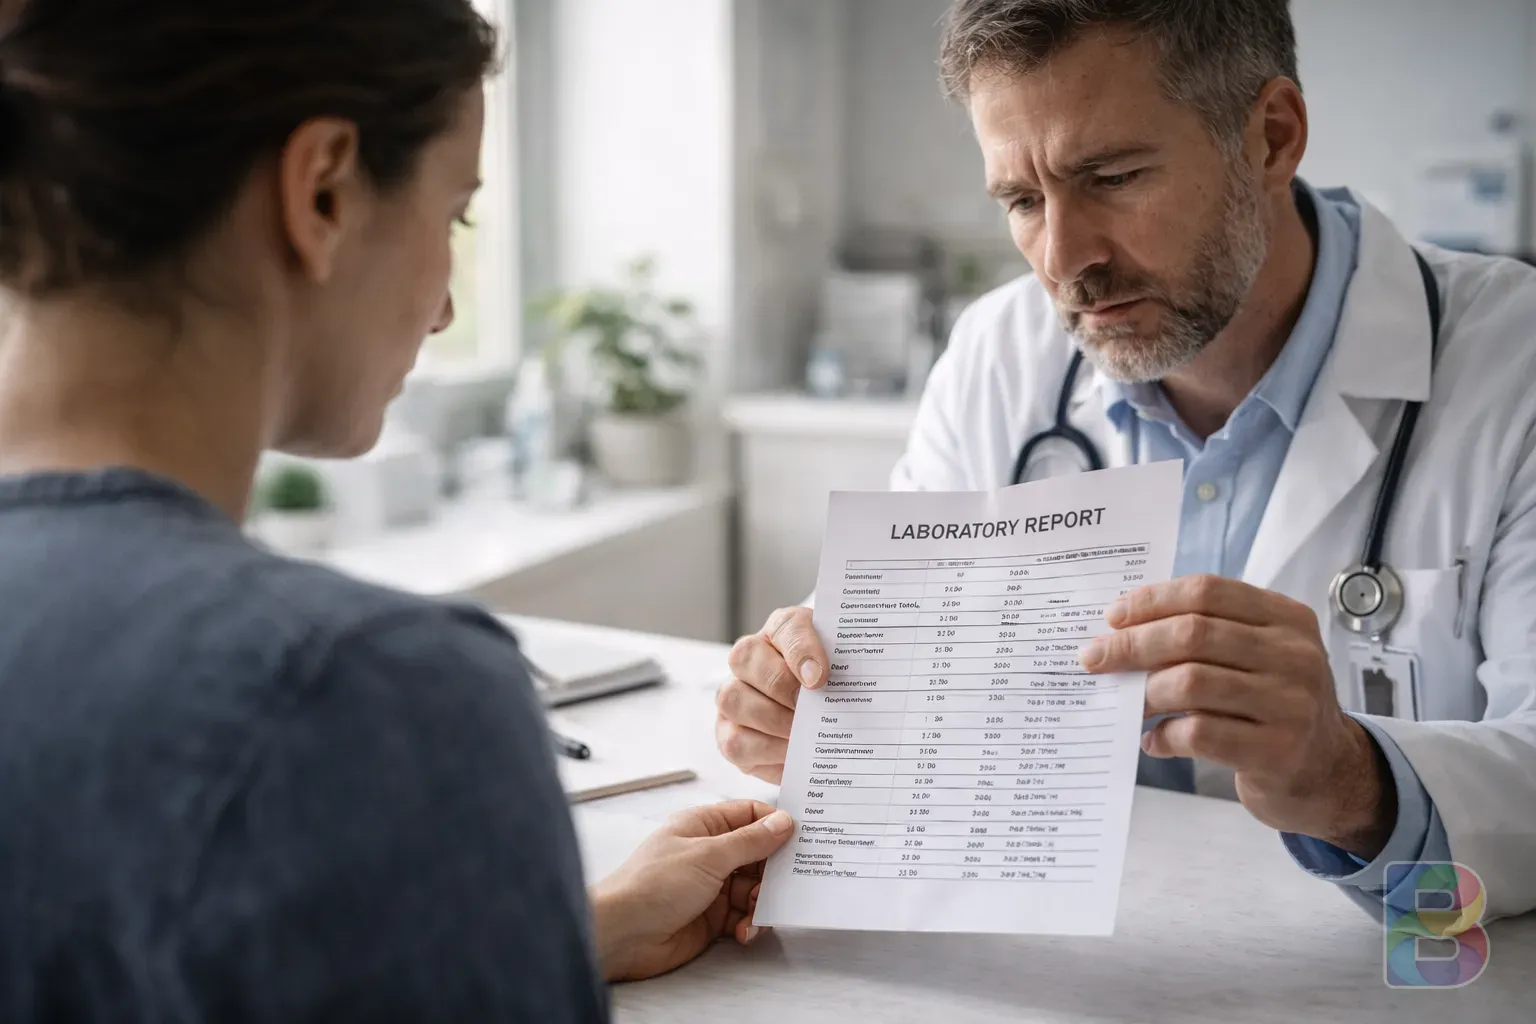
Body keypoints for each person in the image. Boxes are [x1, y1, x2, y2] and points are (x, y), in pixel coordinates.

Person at [0, 1, 788, 1019]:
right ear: (322, 189)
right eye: (455, 214)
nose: (450, 307)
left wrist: (556, 931)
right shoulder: (359, 697)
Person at [717, 0, 1536, 921]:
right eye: (1022, 201)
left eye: (1111, 177)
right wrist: (815, 707)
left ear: (1271, 137)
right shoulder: (998, 354)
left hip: (1396, 971)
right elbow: (901, 676)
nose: (1064, 260)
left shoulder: (1512, 364)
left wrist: (1350, 779)